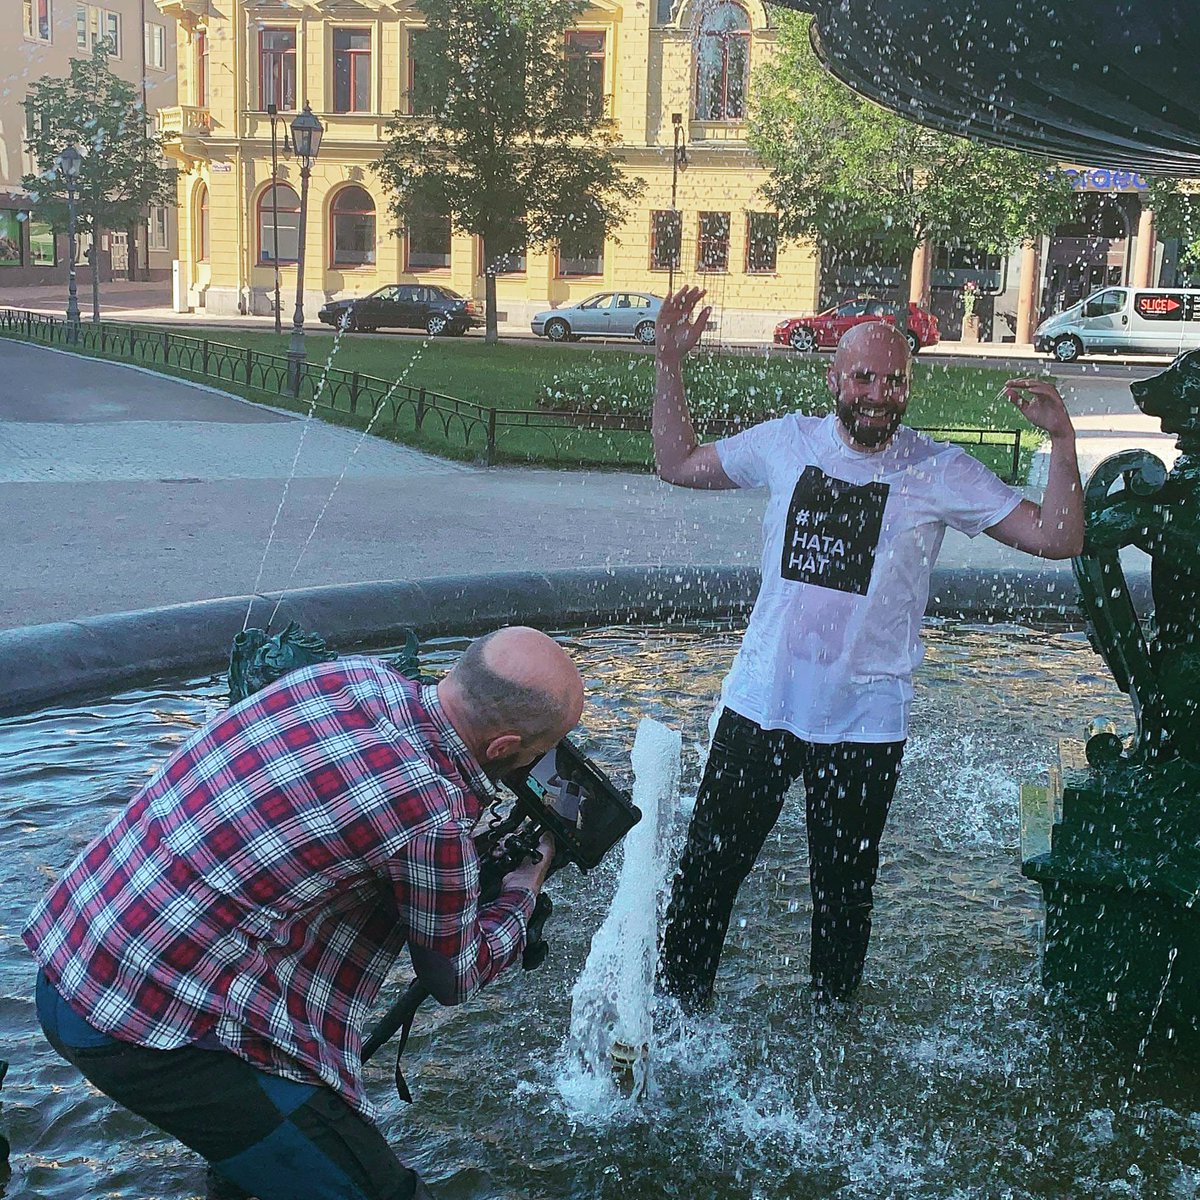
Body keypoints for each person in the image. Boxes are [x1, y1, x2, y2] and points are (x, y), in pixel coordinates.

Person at [24, 626, 584, 1200]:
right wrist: (525, 879)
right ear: (502, 748)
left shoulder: (345, 677)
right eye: (539, 753)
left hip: (72, 954)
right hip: (144, 1029)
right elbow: (453, 974)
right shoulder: (429, 815)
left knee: (257, 1169)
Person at [652, 286, 1083, 1009]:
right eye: (864, 379)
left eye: (893, 382)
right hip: (761, 704)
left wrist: (1063, 441)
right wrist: (668, 363)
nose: (878, 396)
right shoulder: (787, 441)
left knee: (845, 898)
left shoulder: (939, 470)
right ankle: (674, 1019)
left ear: (908, 387)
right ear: (833, 378)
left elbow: (1057, 538)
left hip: (866, 721)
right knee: (706, 876)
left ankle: (832, 1031)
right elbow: (676, 461)